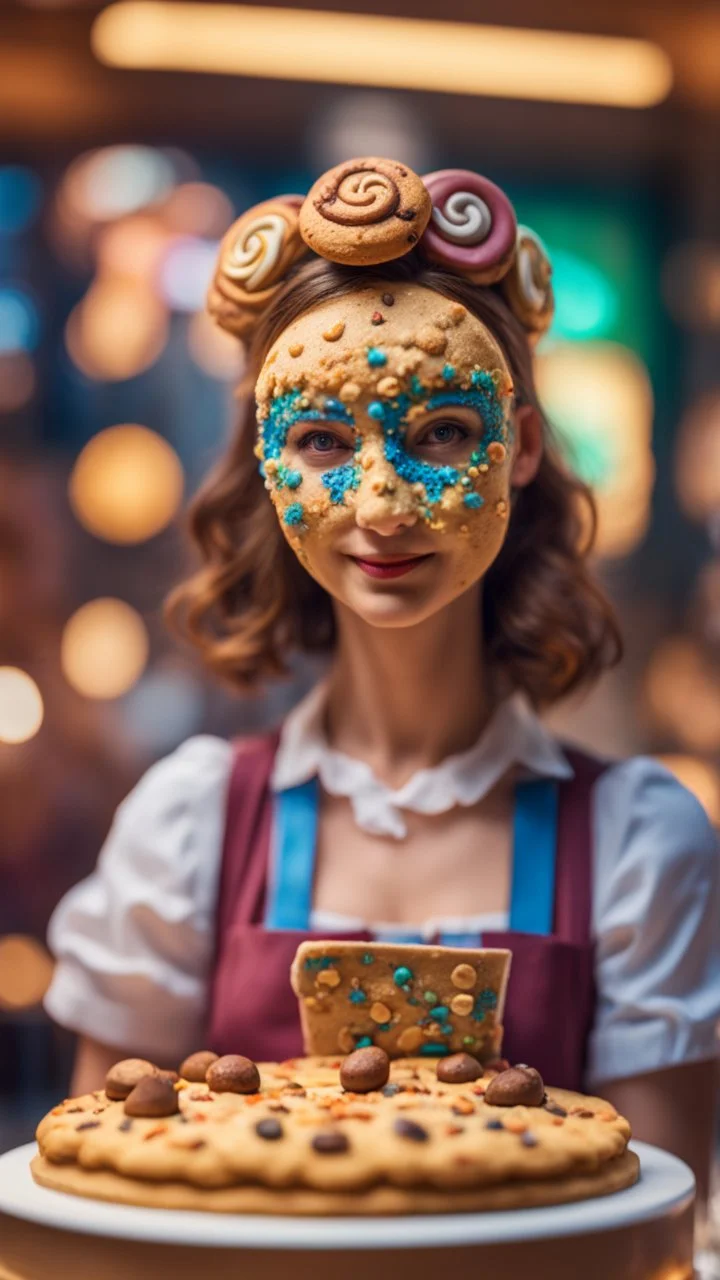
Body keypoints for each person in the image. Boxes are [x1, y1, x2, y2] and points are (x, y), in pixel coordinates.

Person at [44, 159, 719, 1199]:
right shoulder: (191, 823)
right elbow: (104, 1185)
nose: (384, 504)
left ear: (522, 447)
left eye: (442, 431)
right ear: (269, 464)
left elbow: (653, 1225)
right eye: (321, 440)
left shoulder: (640, 840)